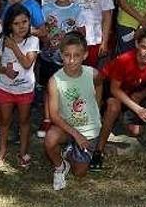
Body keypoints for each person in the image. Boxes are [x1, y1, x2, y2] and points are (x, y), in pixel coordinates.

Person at [92, 27, 146, 170]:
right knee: (114, 107)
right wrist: (137, 108)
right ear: (137, 44)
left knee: (136, 132)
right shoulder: (124, 60)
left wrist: (141, 95)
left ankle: (119, 117)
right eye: (144, 47)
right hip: (109, 89)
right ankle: (98, 151)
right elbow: (114, 89)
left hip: (132, 92)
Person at [45, 33, 103, 190]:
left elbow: (99, 85)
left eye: (76, 55)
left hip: (88, 130)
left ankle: (69, 151)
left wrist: (96, 106)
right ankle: (60, 167)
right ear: (61, 54)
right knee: (50, 139)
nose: (71, 60)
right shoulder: (54, 80)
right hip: (66, 127)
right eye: (66, 55)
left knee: (79, 173)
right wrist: (76, 135)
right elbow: (54, 115)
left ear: (85, 55)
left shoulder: (93, 74)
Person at [0, 4, 39, 169]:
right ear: (9, 25)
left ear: (29, 22)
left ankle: (23, 152)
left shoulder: (33, 41)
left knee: (24, 121)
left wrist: (14, 47)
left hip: (25, 90)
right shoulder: (3, 41)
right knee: (4, 121)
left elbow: (26, 63)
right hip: (5, 89)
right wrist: (4, 70)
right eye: (16, 23)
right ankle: (2, 151)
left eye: (24, 22)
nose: (21, 26)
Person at [38, 0, 86, 138]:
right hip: (49, 56)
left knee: (69, 88)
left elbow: (82, 33)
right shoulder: (45, 8)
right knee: (48, 89)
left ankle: (70, 118)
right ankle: (47, 118)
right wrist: (46, 42)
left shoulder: (77, 9)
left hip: (69, 59)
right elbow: (42, 31)